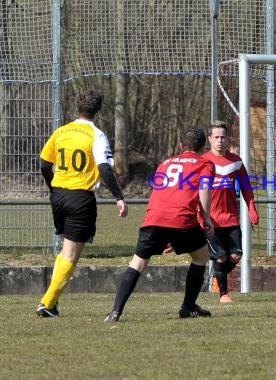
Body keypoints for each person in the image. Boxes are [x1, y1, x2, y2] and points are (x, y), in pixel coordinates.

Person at [105, 127, 215, 322]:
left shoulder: (165, 163)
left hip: (154, 217)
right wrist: (206, 218)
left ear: (181, 145)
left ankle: (115, 312)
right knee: (201, 257)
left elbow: (162, 192)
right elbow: (204, 189)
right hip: (182, 218)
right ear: (202, 146)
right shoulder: (204, 163)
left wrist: (166, 235)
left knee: (137, 263)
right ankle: (188, 307)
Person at [37, 90, 128, 317]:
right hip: (80, 198)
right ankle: (46, 304)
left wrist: (53, 189)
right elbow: (104, 168)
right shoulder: (96, 135)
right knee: (71, 255)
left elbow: (44, 163)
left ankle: (52, 302)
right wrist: (118, 196)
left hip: (59, 195)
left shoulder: (61, 131)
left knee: (65, 249)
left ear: (77, 107)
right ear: (98, 111)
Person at [202, 121, 259, 304]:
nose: (219, 140)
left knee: (235, 256)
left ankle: (217, 277)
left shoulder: (236, 162)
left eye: (223, 137)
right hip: (211, 220)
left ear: (228, 139)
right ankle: (224, 295)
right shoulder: (203, 162)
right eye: (216, 137)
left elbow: (246, 187)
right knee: (220, 256)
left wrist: (252, 210)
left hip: (231, 218)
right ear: (210, 139)